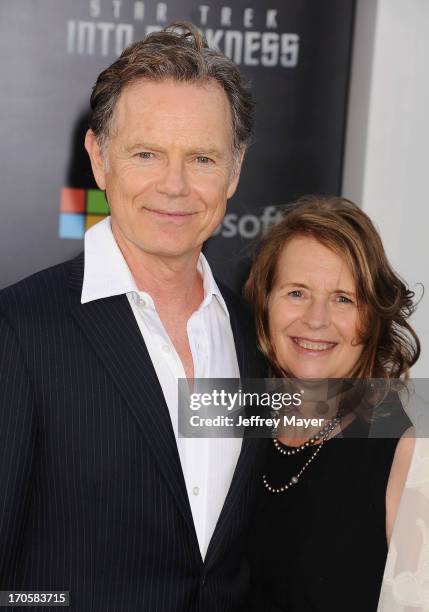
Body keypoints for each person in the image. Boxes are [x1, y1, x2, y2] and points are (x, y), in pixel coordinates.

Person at [0, 22, 266, 611]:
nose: (175, 187)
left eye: (202, 157)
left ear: (235, 169)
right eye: (146, 154)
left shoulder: (255, 334)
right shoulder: (17, 331)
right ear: (99, 159)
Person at [243, 196, 420, 611]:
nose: (316, 319)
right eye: (297, 292)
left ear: (372, 316)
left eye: (343, 298)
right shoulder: (235, 421)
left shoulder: (408, 451)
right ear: (265, 302)